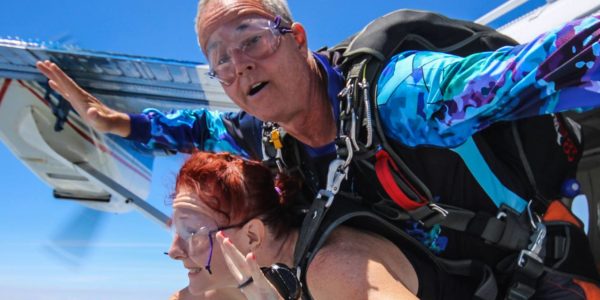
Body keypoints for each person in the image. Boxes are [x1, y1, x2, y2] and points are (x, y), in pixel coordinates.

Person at [36, 0, 600, 297]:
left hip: (531, 273)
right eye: (221, 61)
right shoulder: (266, 133)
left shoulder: (403, 95)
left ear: (297, 37)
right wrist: (114, 122)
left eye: (251, 40)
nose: (240, 66)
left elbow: (532, 71)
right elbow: (198, 130)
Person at [167, 151, 424, 299]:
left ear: (253, 236)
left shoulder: (331, 271)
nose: (174, 251)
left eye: (192, 232)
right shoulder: (252, 275)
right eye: (176, 230)